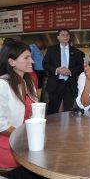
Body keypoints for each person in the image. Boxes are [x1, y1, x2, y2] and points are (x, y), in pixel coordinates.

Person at [0, 41, 45, 179]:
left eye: (30, 57)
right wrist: (26, 135)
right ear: (12, 62)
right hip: (9, 144)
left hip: (26, 141)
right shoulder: (2, 84)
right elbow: (1, 125)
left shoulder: (27, 81)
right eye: (26, 58)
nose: (32, 60)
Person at [43, 29, 83, 114]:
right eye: (62, 35)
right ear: (58, 37)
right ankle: (52, 127)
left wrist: (70, 71)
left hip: (70, 84)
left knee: (68, 109)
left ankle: (67, 127)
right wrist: (56, 70)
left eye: (67, 35)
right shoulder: (51, 50)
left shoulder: (76, 51)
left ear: (69, 37)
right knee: (53, 109)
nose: (65, 36)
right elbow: (45, 64)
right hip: (55, 83)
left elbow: (81, 67)